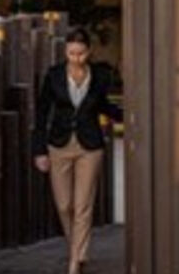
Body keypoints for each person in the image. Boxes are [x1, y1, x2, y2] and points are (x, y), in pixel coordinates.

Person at [32, 27, 123, 274]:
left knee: (83, 205)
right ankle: (77, 249)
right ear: (66, 51)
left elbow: (103, 105)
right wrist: (39, 150)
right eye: (72, 53)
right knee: (64, 205)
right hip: (59, 145)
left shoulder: (100, 76)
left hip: (90, 146)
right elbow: (41, 113)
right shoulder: (54, 76)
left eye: (81, 54)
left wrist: (127, 116)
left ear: (89, 51)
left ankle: (75, 261)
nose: (76, 58)